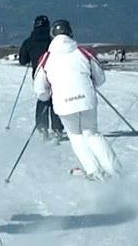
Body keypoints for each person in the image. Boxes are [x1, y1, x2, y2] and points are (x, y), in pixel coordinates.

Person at [33, 20, 122, 181]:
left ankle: (93, 171)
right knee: (92, 133)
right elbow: (100, 78)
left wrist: (48, 96)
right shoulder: (82, 52)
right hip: (86, 99)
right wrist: (89, 84)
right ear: (70, 34)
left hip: (63, 104)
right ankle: (114, 170)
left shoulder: (47, 58)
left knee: (75, 135)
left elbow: (40, 90)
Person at [19, 15, 64, 142]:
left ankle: (42, 128)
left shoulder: (29, 42)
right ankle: (57, 129)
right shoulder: (52, 41)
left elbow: (22, 60)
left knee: (42, 99)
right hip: (54, 74)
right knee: (55, 100)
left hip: (38, 75)